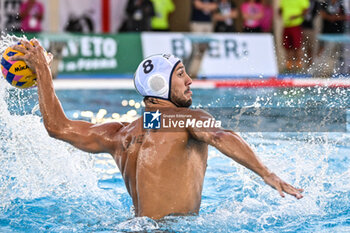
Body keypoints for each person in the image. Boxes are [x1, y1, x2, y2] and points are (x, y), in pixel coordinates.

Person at [10, 39, 304, 220]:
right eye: (180, 74)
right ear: (160, 87)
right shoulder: (186, 121)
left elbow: (57, 127)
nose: (189, 80)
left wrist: (43, 73)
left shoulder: (119, 134)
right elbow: (221, 136)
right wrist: (267, 173)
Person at [279, 0, 310, 70]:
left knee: (297, 46)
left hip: (296, 25)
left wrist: (296, 16)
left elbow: (306, 10)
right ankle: (289, 66)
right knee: (287, 47)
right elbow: (281, 9)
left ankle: (298, 65)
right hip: (286, 25)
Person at [301, 0, 320, 68]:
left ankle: (310, 65)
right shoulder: (302, 2)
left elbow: (316, 13)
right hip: (301, 27)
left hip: (310, 27)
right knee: (302, 48)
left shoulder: (316, 3)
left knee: (310, 47)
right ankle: (302, 66)